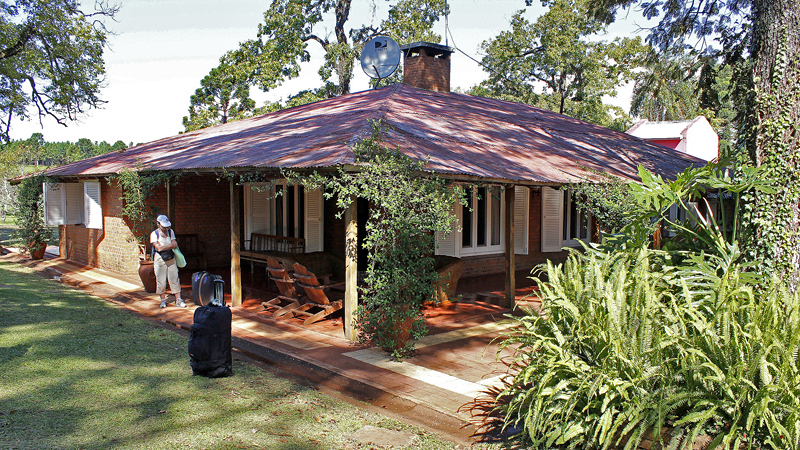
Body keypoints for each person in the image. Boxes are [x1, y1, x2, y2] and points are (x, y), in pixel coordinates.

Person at [151, 214, 185, 308]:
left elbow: (174, 243)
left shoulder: (171, 232)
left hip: (171, 258)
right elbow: (159, 248)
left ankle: (178, 299)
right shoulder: (154, 234)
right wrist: (170, 246)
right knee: (161, 280)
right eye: (163, 226)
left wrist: (165, 247)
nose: (165, 228)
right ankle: (162, 300)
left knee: (174, 278)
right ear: (158, 224)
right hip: (160, 259)